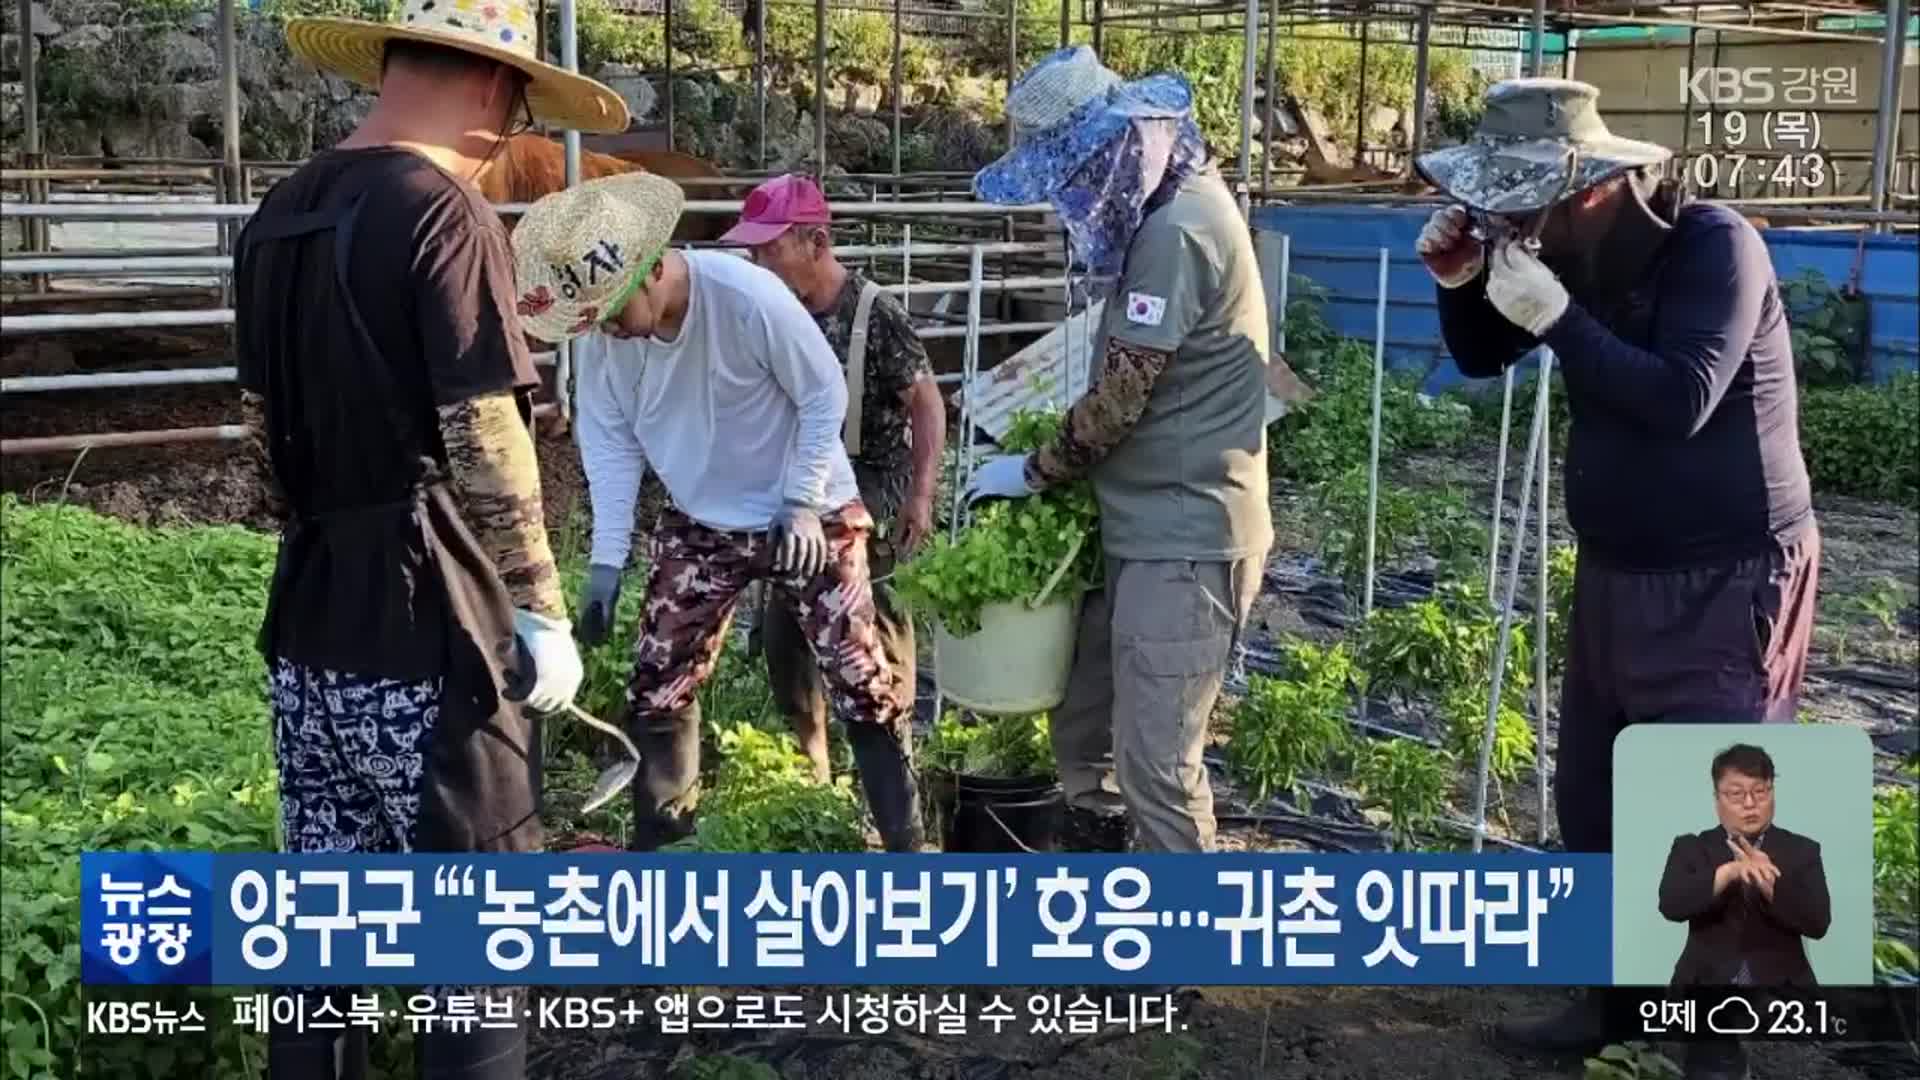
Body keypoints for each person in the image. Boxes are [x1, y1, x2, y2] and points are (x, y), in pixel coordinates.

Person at [236, 2, 625, 1076]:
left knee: (321, 940)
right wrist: (539, 603)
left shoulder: (277, 212)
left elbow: (261, 438)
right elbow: (482, 428)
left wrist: (322, 537)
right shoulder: (440, 211)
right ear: (494, 90)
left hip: (310, 621)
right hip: (432, 629)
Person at [1415, 79, 1821, 1072]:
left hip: (1729, 579)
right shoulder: (1567, 251)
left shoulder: (1714, 247)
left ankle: (1712, 1051)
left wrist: (1555, 316)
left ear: (1591, 187)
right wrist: (1463, 282)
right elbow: (1480, 355)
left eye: (1522, 204)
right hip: (1616, 573)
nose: (1511, 222)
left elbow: (1680, 396)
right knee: (1593, 802)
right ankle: (1609, 1006)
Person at [518, 173, 922, 853]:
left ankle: (909, 851)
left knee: (861, 679)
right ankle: (666, 853)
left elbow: (825, 393)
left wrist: (798, 500)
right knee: (658, 678)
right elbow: (612, 448)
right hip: (702, 519)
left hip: (808, 507)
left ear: (647, 273)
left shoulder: (745, 298)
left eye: (611, 313)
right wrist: (606, 562)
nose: (607, 331)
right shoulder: (605, 342)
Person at [965, 46, 1281, 854]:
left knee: (1158, 765)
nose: (1070, 201)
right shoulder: (1167, 212)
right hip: (1139, 528)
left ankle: (1175, 957)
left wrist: (1031, 471)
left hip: (1186, 538)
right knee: (1083, 731)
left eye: (1072, 179)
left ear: (1111, 153)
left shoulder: (1178, 232)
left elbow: (1117, 400)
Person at [718, 173, 948, 782]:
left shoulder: (874, 314)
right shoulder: (769, 312)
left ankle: (891, 764)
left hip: (869, 480)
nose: (756, 259)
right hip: (798, 484)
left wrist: (921, 496)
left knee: (874, 626)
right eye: (753, 248)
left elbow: (926, 404)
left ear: (815, 243)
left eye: (770, 247)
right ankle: (813, 767)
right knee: (784, 631)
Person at [1656, 743, 1829, 1079]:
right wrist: (1727, 874)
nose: (1750, 804)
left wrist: (1770, 884)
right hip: (1705, 985)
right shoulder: (1692, 847)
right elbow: (1672, 905)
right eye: (1736, 794)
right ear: (1717, 800)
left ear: (1772, 793)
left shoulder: (1801, 851)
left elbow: (1818, 922)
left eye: (1760, 792)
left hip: (1781, 989)